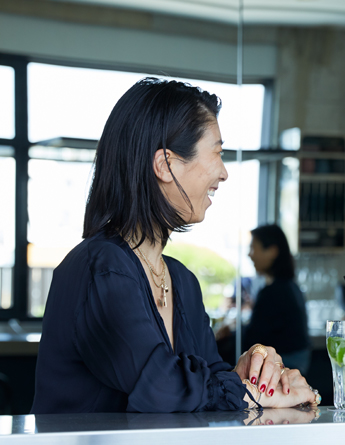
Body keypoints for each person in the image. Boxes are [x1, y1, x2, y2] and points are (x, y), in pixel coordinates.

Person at [31, 78, 319, 414]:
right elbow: (161, 386)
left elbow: (212, 382)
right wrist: (242, 390)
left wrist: (252, 372)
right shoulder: (103, 269)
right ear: (165, 165)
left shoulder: (182, 281)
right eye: (217, 152)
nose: (224, 172)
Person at [244, 225, 311, 375]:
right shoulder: (289, 286)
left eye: (253, 248)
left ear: (272, 251)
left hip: (284, 364)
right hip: (295, 362)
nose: (250, 255)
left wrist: (230, 331)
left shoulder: (274, 291)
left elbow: (254, 339)